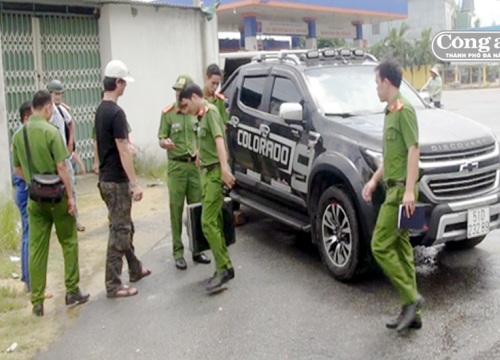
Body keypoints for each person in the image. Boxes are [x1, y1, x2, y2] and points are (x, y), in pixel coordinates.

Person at [12, 90, 89, 316]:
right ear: (47, 108)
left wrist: (31, 180)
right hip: (57, 196)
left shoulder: (19, 135)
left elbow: (16, 168)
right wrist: (71, 198)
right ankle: (72, 291)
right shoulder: (51, 132)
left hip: (35, 199)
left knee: (37, 248)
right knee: (68, 242)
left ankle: (37, 300)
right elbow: (62, 166)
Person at [362, 60, 423, 332]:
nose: (376, 88)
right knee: (402, 248)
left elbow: (413, 150)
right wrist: (374, 180)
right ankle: (413, 313)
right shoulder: (390, 111)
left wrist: (409, 190)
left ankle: (411, 298)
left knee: (380, 245)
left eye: (377, 83)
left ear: (387, 82)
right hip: (395, 187)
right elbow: (392, 156)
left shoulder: (404, 109)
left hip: (402, 193)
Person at [95, 60, 151, 298]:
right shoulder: (116, 113)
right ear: (117, 83)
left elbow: (98, 143)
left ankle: (135, 267)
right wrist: (135, 184)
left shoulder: (100, 109)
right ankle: (113, 284)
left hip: (106, 178)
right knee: (120, 230)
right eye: (124, 83)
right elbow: (122, 148)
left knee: (125, 225)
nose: (125, 87)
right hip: (116, 181)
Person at [178, 83, 236, 292]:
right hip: (207, 173)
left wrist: (224, 169)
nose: (186, 110)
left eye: (186, 105)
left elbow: (220, 141)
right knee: (215, 222)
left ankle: (222, 268)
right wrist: (200, 155)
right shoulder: (202, 116)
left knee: (208, 222)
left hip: (214, 174)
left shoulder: (210, 112)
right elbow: (209, 141)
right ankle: (225, 266)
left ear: (194, 97)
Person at [158, 75, 211, 270]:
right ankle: (178, 252)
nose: (178, 95)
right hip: (177, 167)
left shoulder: (197, 112)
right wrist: (165, 142)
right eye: (176, 91)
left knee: (197, 208)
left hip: (194, 167)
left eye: (181, 91)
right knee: (176, 209)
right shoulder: (168, 113)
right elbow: (161, 137)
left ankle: (197, 249)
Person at [47, 79, 85, 232]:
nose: (58, 97)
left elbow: (71, 122)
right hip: (51, 157)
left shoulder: (62, 110)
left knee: (70, 188)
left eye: (60, 94)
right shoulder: (47, 112)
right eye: (56, 94)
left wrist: (70, 142)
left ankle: (76, 220)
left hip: (64, 156)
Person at [11, 101, 32, 292]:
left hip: (22, 190)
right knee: (29, 234)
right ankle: (29, 281)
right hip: (25, 190)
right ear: (27, 117)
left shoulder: (19, 136)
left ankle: (28, 279)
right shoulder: (21, 137)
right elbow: (17, 170)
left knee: (29, 233)